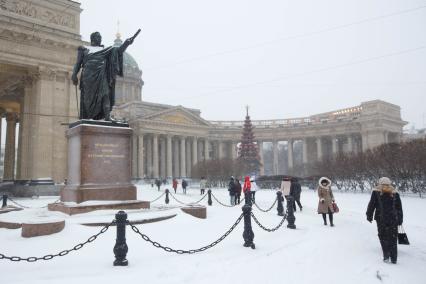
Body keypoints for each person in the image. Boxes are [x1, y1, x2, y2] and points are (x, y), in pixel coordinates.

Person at [71, 30, 139, 120]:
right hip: (88, 77)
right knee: (88, 99)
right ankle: (88, 117)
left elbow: (118, 51)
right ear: (93, 39)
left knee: (105, 94)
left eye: (100, 38)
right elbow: (78, 63)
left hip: (101, 75)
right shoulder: (84, 49)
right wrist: (74, 74)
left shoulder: (105, 50)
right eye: (98, 37)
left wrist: (126, 43)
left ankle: (107, 116)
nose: (100, 39)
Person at [366, 177, 403, 264]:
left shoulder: (376, 192)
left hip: (380, 218)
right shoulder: (395, 192)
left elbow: (371, 205)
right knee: (393, 238)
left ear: (380, 183)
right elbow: (399, 208)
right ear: (390, 183)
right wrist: (400, 219)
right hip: (393, 219)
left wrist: (369, 216)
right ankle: (394, 259)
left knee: (383, 236)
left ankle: (386, 256)